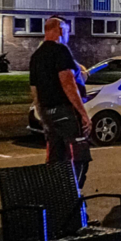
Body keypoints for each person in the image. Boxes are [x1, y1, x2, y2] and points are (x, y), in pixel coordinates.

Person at [30, 17, 93, 188]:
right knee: (78, 155)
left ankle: (54, 192)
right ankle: (72, 193)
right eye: (66, 31)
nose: (68, 36)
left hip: (49, 112)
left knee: (56, 155)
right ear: (60, 29)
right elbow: (68, 83)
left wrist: (42, 114)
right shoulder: (61, 50)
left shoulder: (36, 56)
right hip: (66, 111)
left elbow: (34, 89)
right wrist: (83, 113)